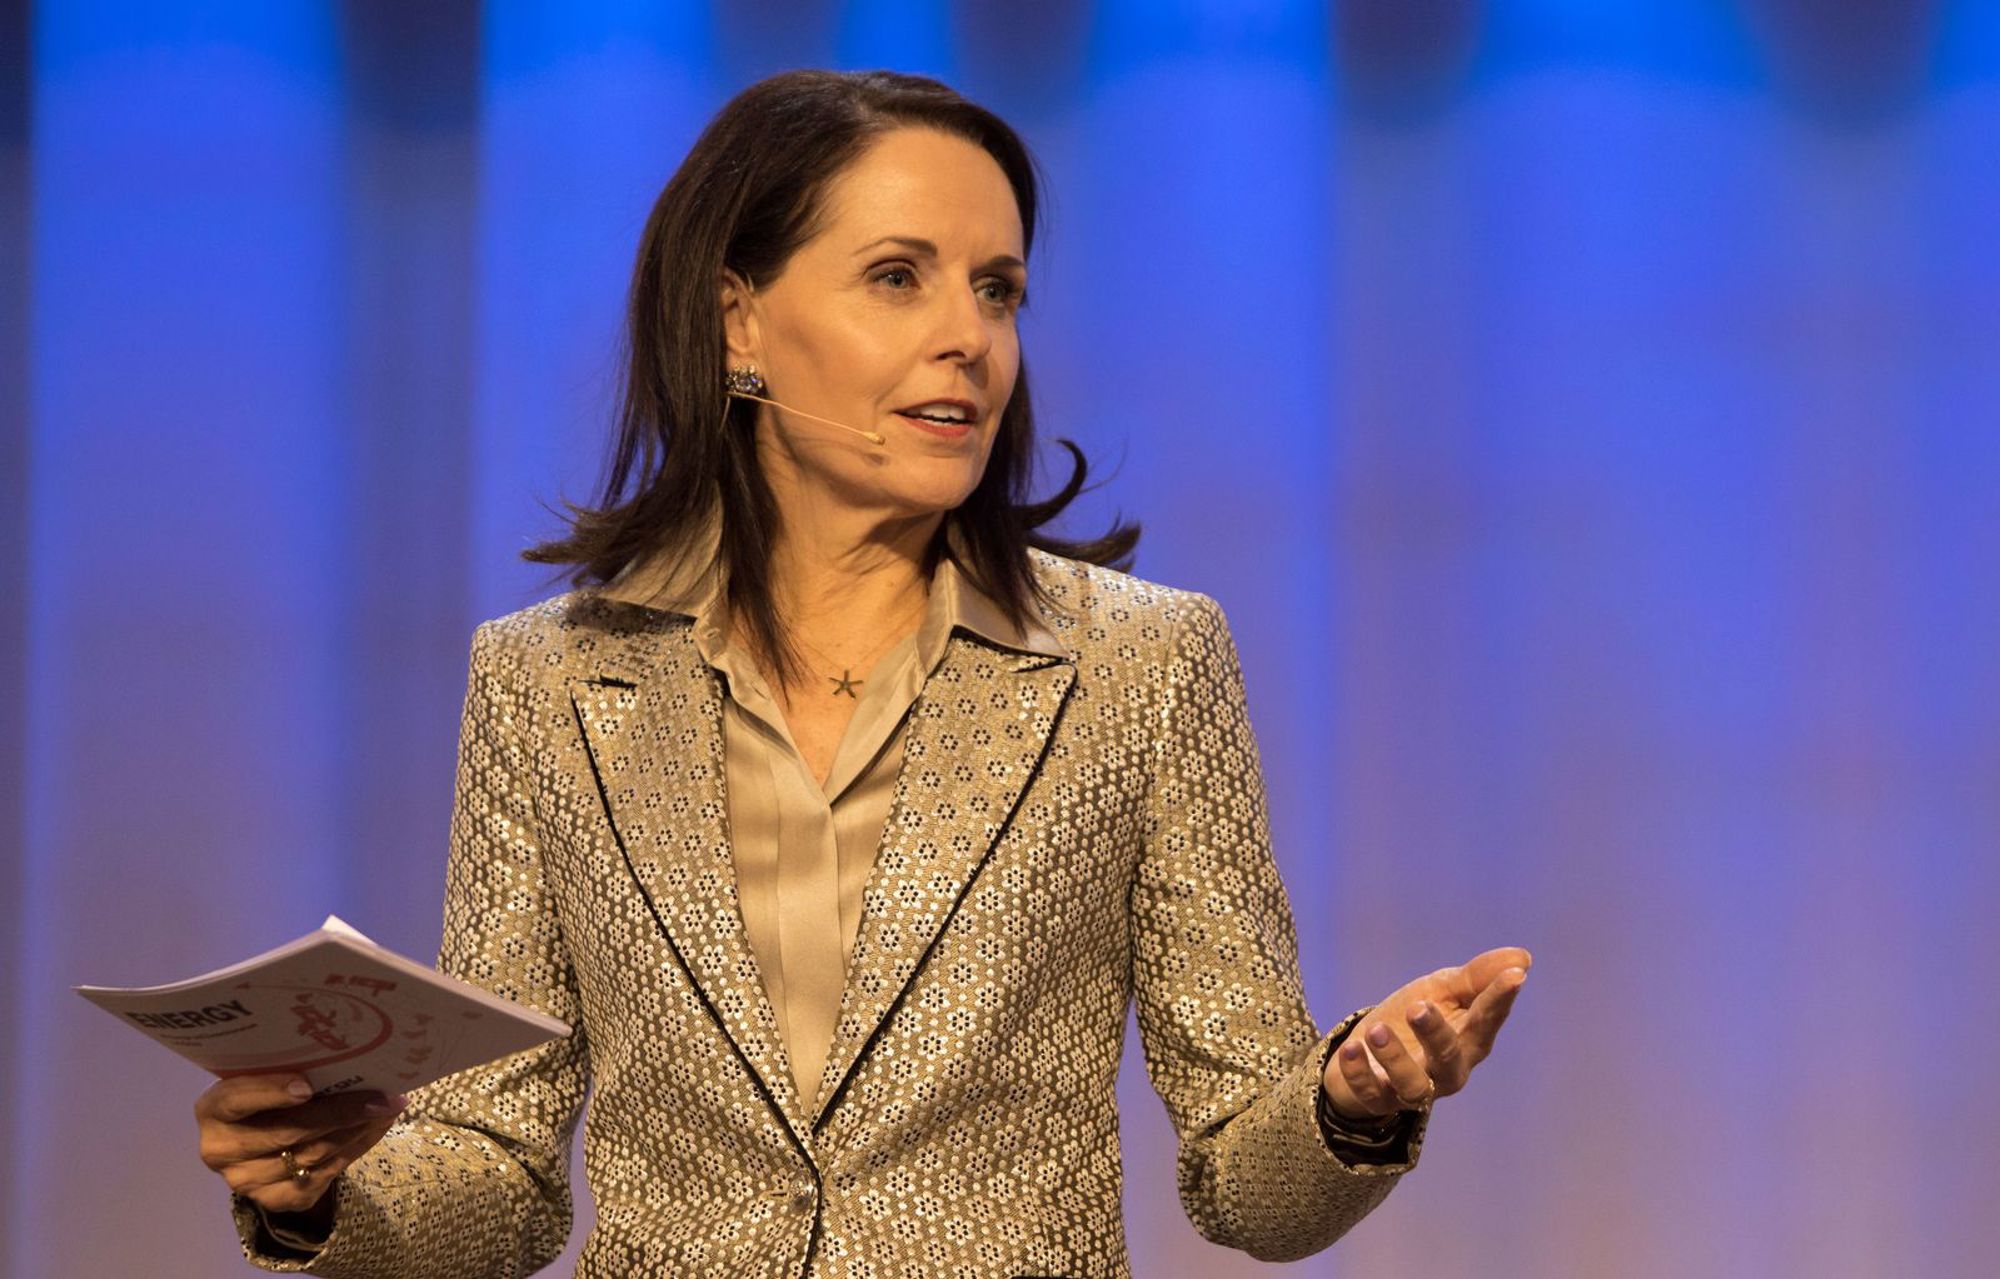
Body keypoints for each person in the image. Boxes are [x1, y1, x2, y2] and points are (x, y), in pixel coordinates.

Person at [192, 68, 1530, 1277]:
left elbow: (1249, 1179)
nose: (970, 337)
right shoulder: (546, 682)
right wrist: (322, 1187)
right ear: (739, 322)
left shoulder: (1142, 665)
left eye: (997, 289)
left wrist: (1353, 1100)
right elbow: (498, 1176)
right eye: (899, 276)